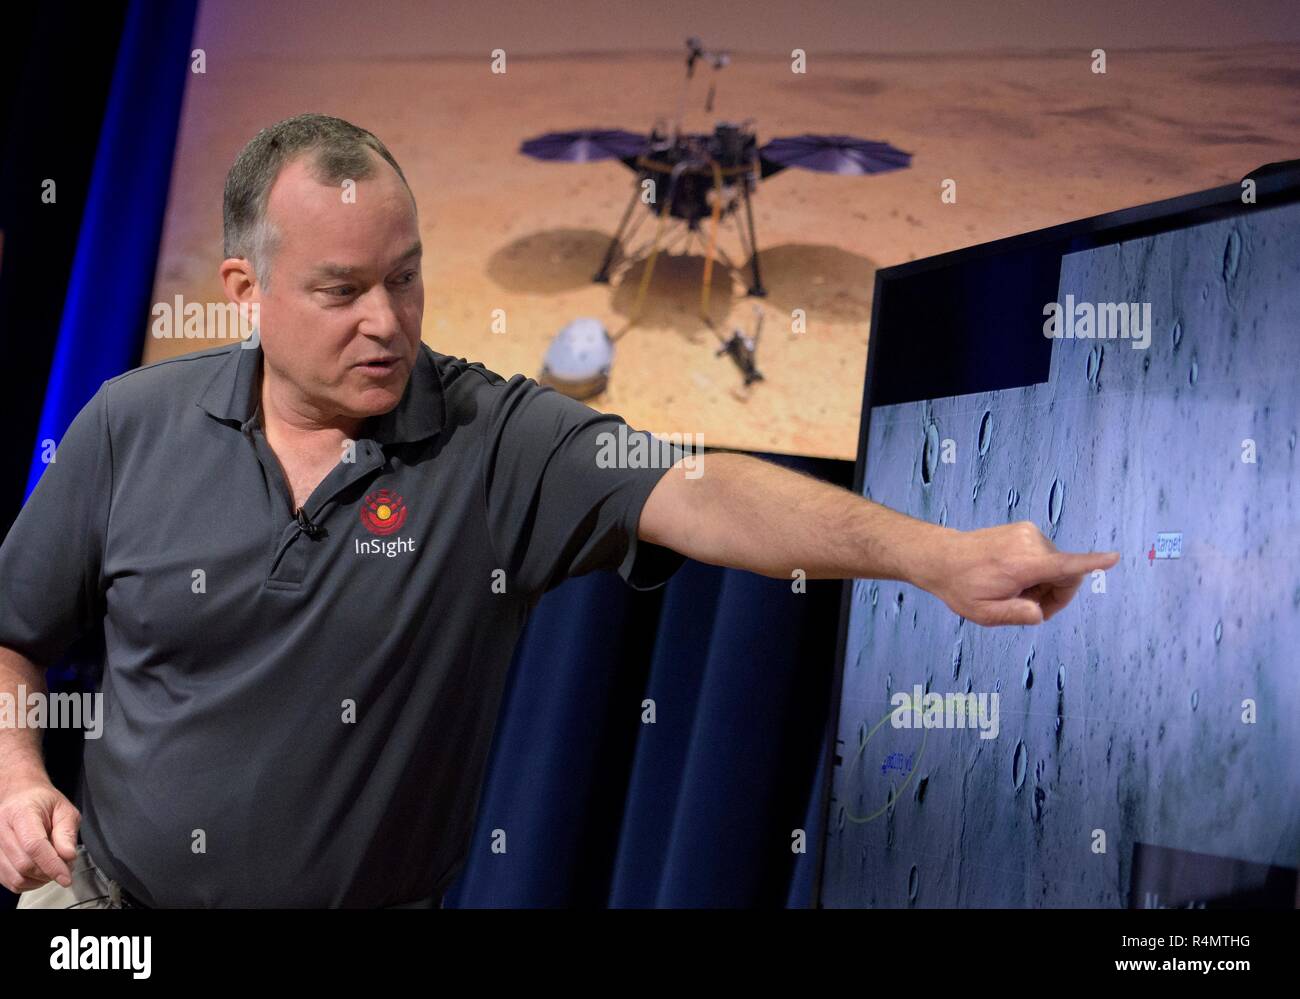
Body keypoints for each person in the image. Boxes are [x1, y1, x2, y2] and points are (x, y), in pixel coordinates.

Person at [0, 114, 1117, 907]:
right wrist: (18, 777)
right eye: (342, 291)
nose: (386, 321)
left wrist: (931, 555)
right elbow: (11, 638)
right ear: (245, 292)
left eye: (407, 277)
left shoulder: (498, 439)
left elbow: (698, 486)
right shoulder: (126, 423)